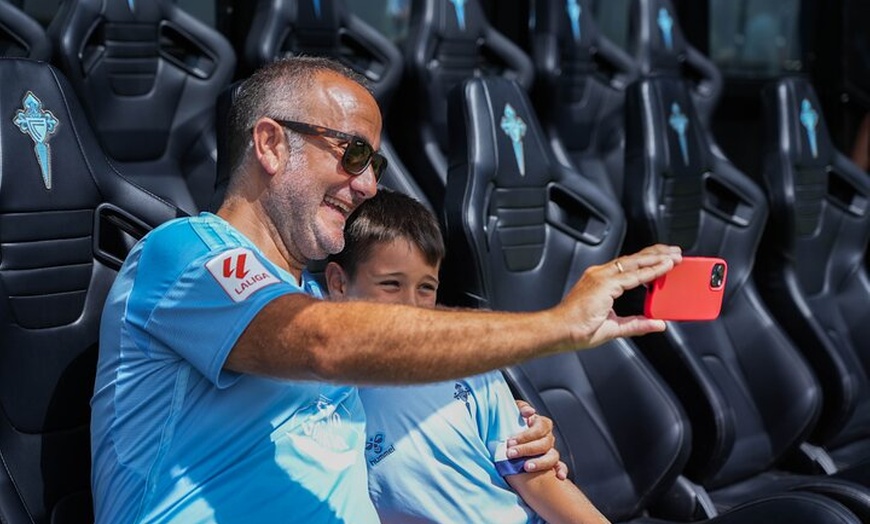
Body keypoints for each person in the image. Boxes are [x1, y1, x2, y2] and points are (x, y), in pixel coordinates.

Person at [90, 56, 681, 523]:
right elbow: (319, 343)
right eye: (353, 154)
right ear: (270, 144)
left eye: (377, 165)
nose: (370, 185)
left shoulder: (329, 300)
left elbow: (404, 377)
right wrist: (557, 324)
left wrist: (516, 433)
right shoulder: (185, 253)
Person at [326, 188, 610, 523]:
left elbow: (539, 480)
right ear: (339, 284)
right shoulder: (319, 399)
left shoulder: (466, 369)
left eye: (426, 288)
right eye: (390, 284)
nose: (412, 307)